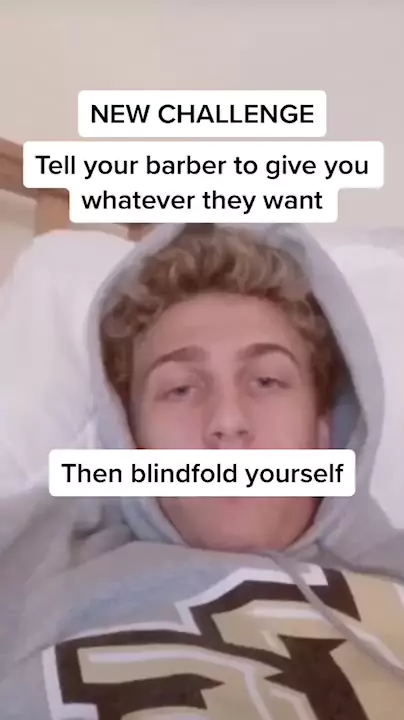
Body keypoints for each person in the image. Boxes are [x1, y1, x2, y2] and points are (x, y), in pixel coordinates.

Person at [1, 222, 403, 719]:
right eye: (180, 389)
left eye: (267, 380)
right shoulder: (28, 565)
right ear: (131, 439)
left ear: (323, 434)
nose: (227, 422)